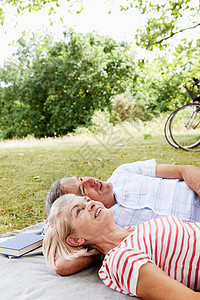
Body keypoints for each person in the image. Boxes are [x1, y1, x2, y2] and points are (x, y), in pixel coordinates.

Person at [46, 159, 200, 275]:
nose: (90, 180)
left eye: (81, 178)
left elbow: (184, 170)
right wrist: (51, 227)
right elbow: (61, 265)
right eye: (82, 190)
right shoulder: (108, 232)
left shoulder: (123, 172)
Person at [43, 194, 200, 300]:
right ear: (76, 239)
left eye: (86, 200)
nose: (90, 204)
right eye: (79, 210)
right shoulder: (121, 259)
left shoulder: (131, 230)